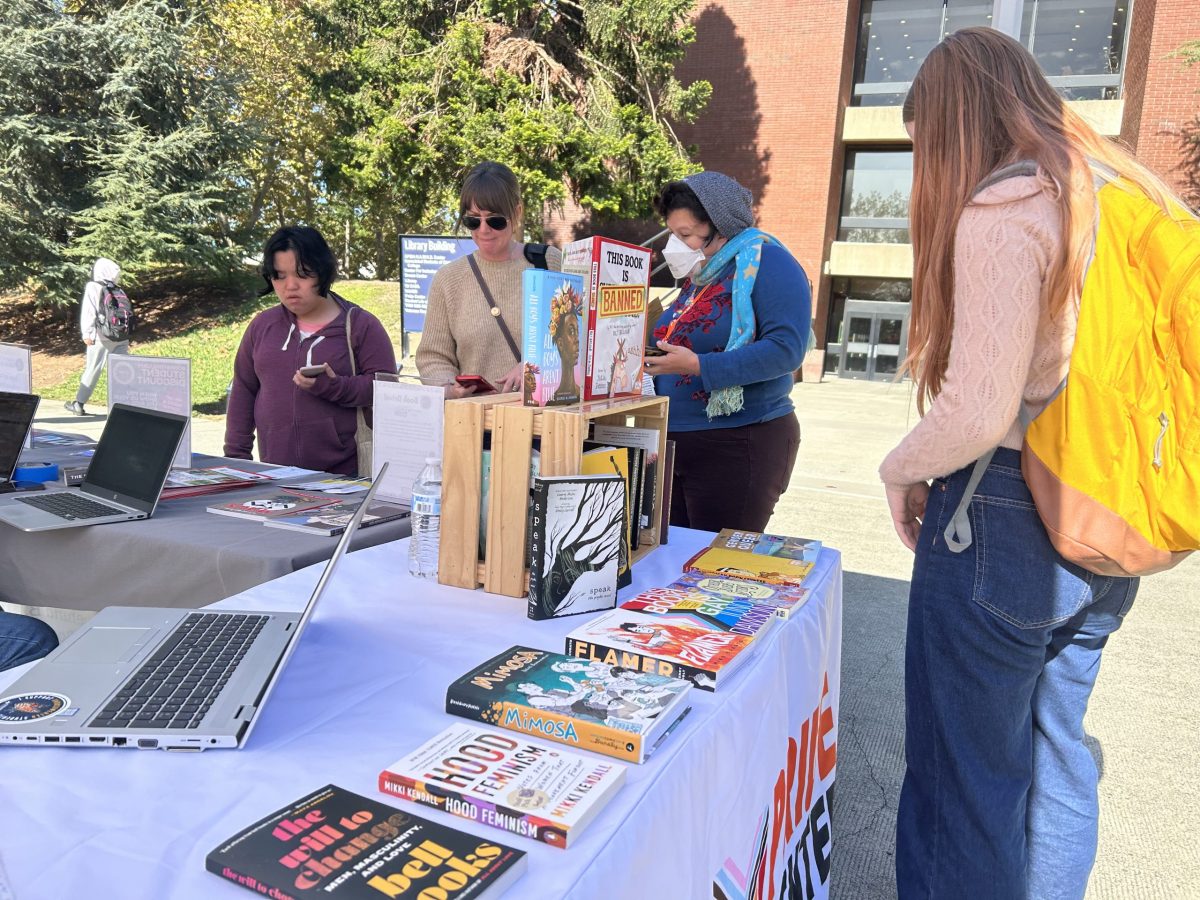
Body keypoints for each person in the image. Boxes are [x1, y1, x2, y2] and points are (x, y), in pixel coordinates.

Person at [879, 28, 1187, 900]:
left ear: (952, 127)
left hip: (1003, 512)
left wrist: (899, 468)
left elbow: (978, 409)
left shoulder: (1010, 205)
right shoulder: (1120, 191)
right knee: (1058, 756)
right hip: (1107, 506)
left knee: (962, 780)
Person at [645, 171, 811, 533]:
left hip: (739, 441)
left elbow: (786, 350)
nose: (677, 245)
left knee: (716, 570)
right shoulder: (702, 279)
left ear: (720, 225)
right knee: (676, 568)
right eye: (674, 234)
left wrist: (698, 365)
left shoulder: (769, 263)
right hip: (677, 441)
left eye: (686, 234)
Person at [224, 226, 396, 476]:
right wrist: (237, 460)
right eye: (279, 276)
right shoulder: (262, 326)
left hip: (343, 480)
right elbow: (243, 390)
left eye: (302, 274)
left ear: (322, 272)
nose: (290, 286)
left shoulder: (360, 325)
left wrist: (333, 386)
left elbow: (386, 390)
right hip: (274, 476)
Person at [416, 161, 562, 397]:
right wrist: (451, 389)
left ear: (517, 212)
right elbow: (433, 356)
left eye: (495, 220)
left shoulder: (549, 264)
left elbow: (576, 341)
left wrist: (534, 367)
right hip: (474, 424)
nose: (483, 229)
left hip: (545, 421)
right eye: (473, 220)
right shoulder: (448, 279)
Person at [64, 258, 128, 416]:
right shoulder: (117, 288)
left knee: (93, 368)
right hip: (121, 336)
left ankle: (78, 404)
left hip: (101, 336)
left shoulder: (93, 286)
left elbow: (89, 311)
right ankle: (123, 406)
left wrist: (87, 333)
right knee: (122, 372)